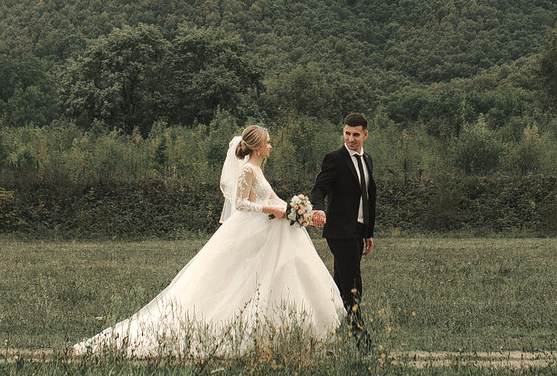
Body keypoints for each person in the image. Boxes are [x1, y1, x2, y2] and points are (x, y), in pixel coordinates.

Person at [75, 124, 343, 355]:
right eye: (268, 142)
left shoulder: (258, 171)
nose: (271, 146)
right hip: (252, 228)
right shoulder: (248, 170)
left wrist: (294, 211)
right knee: (243, 279)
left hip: (270, 227)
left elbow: (271, 198)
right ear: (257, 146)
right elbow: (240, 203)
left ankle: (281, 330)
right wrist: (270, 210)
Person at [301, 113, 378, 328]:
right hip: (340, 231)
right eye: (347, 133)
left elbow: (369, 197)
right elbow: (319, 189)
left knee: (340, 282)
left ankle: (328, 325)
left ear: (365, 135)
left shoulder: (367, 159)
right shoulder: (334, 158)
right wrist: (318, 209)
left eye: (355, 134)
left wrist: (368, 232)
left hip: (358, 230)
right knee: (353, 283)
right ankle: (360, 336)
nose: (350, 139)